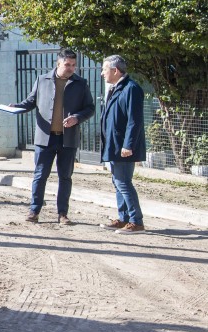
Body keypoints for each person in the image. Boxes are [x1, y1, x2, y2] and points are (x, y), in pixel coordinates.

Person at [10, 48, 95, 226]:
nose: (71, 68)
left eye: (73, 65)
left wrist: (77, 118)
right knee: (40, 175)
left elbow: (90, 108)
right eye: (67, 65)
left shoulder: (81, 83)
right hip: (45, 139)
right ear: (58, 63)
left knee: (65, 177)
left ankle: (62, 214)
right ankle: (34, 210)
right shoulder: (43, 80)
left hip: (68, 139)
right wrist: (16, 107)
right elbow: (30, 102)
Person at [99, 55, 146, 233]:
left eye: (104, 69)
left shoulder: (131, 88)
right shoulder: (117, 87)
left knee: (123, 182)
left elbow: (135, 121)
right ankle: (123, 218)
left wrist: (128, 145)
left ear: (115, 70)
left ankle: (136, 221)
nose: (102, 73)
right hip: (114, 144)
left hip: (123, 146)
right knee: (118, 182)